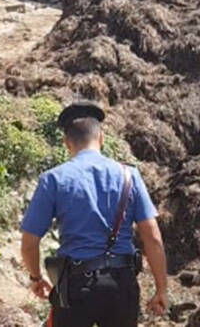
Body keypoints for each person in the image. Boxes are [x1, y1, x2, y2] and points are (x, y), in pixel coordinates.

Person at [20, 101, 168, 327]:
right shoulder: (130, 176)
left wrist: (36, 278)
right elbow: (153, 238)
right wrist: (161, 289)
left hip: (75, 287)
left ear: (66, 143)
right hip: (122, 285)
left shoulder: (53, 179)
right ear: (101, 138)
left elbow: (30, 242)